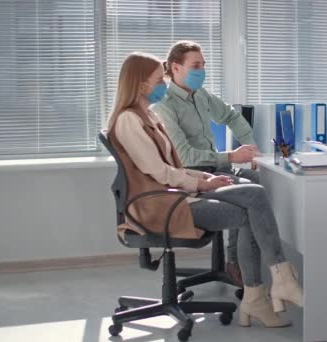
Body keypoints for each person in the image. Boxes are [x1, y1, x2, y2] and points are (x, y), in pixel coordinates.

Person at [106, 52, 303, 328]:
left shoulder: (147, 116)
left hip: (176, 194)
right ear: (140, 84)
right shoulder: (130, 120)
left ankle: (269, 287)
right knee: (251, 207)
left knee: (253, 194)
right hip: (162, 206)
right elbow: (159, 171)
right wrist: (202, 183)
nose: (163, 83)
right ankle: (265, 290)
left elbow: (173, 165)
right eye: (158, 79)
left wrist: (203, 179)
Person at [153, 41, 259, 285]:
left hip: (215, 167)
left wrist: (252, 149)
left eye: (204, 65)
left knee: (263, 183)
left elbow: (232, 116)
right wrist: (232, 156)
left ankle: (243, 264)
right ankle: (238, 266)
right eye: (196, 65)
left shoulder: (201, 96)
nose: (202, 71)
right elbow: (186, 157)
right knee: (250, 196)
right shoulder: (164, 104)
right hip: (193, 175)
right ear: (175, 68)